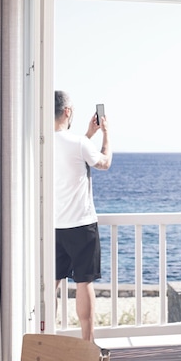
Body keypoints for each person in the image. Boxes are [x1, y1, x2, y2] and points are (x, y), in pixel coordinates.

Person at [54, 91, 112, 342]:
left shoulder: (42, 142)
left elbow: (72, 157)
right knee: (83, 283)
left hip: (53, 226)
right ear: (67, 111)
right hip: (81, 225)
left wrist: (89, 134)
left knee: (52, 284)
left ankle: (48, 338)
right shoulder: (78, 143)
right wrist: (106, 134)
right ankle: (87, 344)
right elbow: (104, 163)